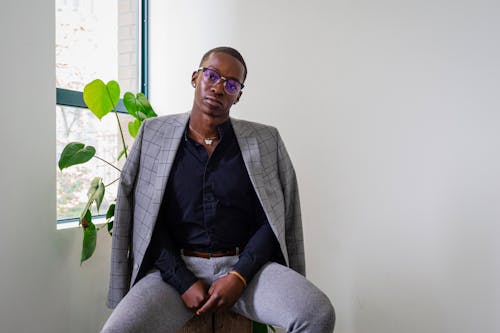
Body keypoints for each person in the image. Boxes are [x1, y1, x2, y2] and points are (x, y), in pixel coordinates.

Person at [101, 47, 335, 333]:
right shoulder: (154, 134)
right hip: (173, 273)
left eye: (231, 84)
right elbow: (147, 221)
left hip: (248, 270)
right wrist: (182, 280)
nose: (218, 88)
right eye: (211, 75)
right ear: (194, 77)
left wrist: (239, 275)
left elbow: (271, 220)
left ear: (239, 94)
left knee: (317, 313)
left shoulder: (265, 140)